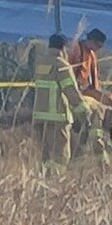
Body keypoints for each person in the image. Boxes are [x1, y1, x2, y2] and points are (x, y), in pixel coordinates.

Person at [32, 33, 88, 169]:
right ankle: (57, 183)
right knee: (60, 156)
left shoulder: (40, 63)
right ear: (63, 48)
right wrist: (84, 113)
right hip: (57, 117)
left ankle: (42, 182)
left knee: (44, 156)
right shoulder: (62, 65)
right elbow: (71, 93)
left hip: (39, 118)